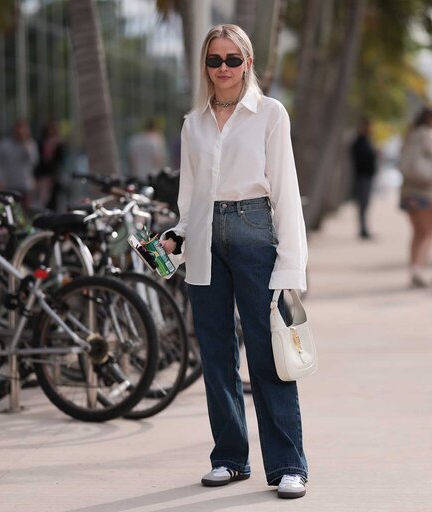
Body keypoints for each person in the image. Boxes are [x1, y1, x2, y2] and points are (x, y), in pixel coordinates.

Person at [160, 24, 309, 500]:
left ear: (247, 62)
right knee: (217, 355)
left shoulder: (269, 114)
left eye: (231, 59)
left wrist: (291, 265)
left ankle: (288, 465)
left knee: (267, 356)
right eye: (213, 60)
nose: (222, 69)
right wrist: (174, 238)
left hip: (253, 232)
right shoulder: (194, 123)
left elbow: (285, 192)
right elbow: (190, 199)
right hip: (204, 239)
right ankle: (229, 457)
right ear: (204, 67)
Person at [398, 106, 432, 287]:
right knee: (428, 233)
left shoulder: (409, 135)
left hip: (408, 190)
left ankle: (413, 269)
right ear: (431, 119)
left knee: (416, 233)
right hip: (426, 191)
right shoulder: (427, 135)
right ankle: (418, 270)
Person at [0, 120, 38, 208]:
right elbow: (0, 164)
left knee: (26, 209)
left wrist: (25, 143)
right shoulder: (6, 145)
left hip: (25, 184)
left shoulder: (30, 144)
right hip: (10, 184)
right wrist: (0, 180)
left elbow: (33, 161)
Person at [350, 116, 378, 239]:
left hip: (367, 176)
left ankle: (364, 228)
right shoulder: (359, 141)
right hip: (362, 177)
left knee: (365, 205)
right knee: (362, 204)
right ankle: (363, 229)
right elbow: (361, 159)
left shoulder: (367, 140)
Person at [34, 121, 65, 210]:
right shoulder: (41, 143)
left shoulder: (59, 144)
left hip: (54, 177)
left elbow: (60, 161)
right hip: (42, 176)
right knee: (42, 200)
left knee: (54, 200)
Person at [127, 118, 167, 183]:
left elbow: (131, 160)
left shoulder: (135, 139)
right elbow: (158, 160)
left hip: (137, 175)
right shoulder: (156, 140)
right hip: (152, 175)